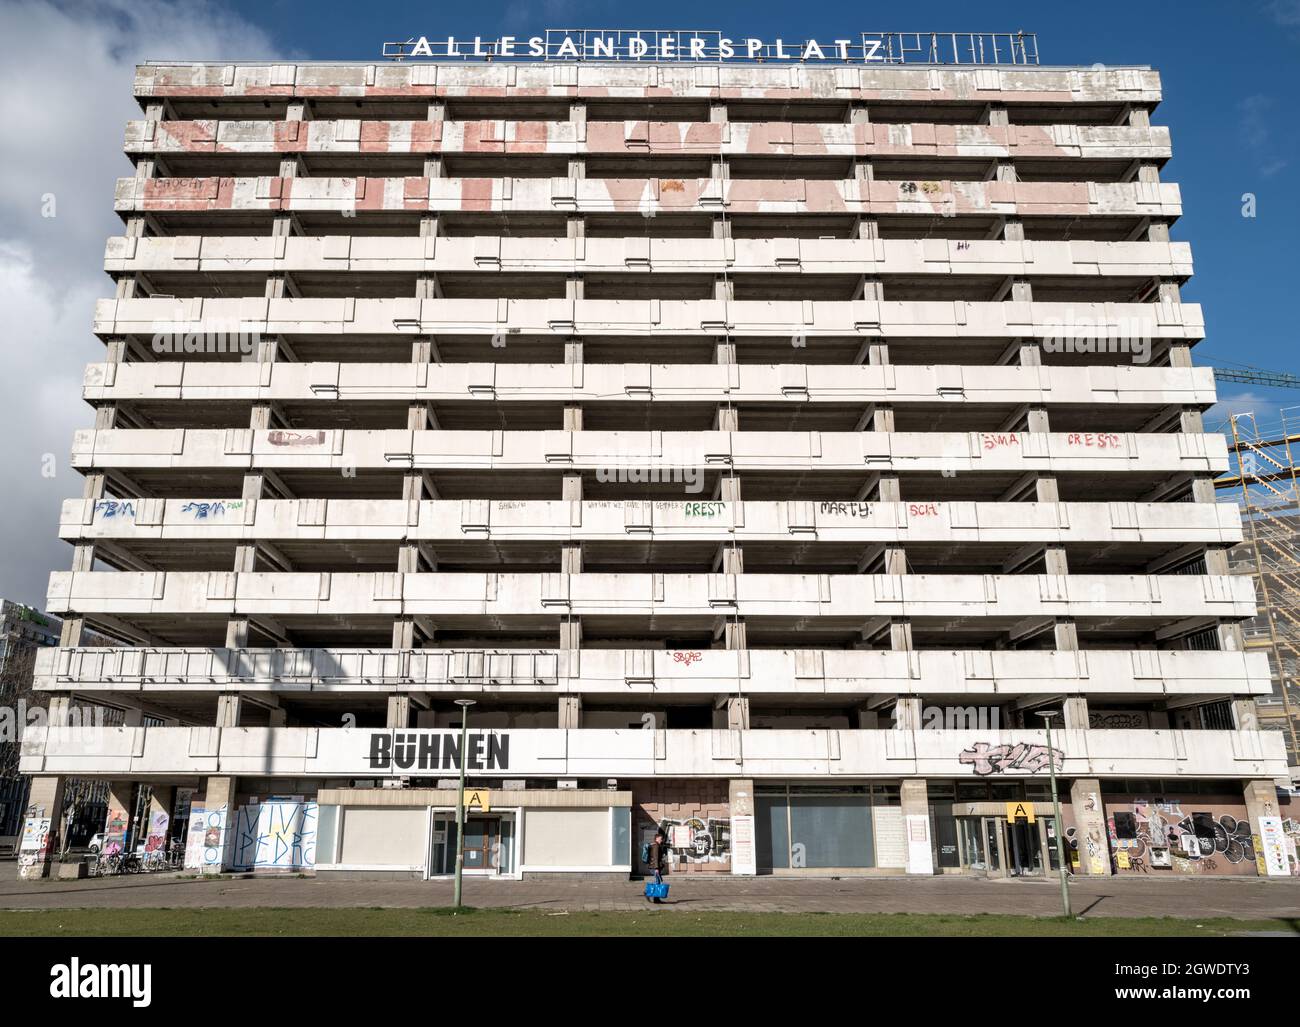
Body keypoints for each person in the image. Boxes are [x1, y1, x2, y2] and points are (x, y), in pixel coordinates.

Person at [646, 830, 667, 903]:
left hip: (654, 866)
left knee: (657, 881)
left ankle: (655, 898)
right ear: (657, 838)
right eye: (661, 839)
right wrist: (656, 868)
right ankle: (650, 895)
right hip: (654, 867)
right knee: (657, 881)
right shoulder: (656, 846)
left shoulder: (656, 845)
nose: (662, 840)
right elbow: (655, 858)